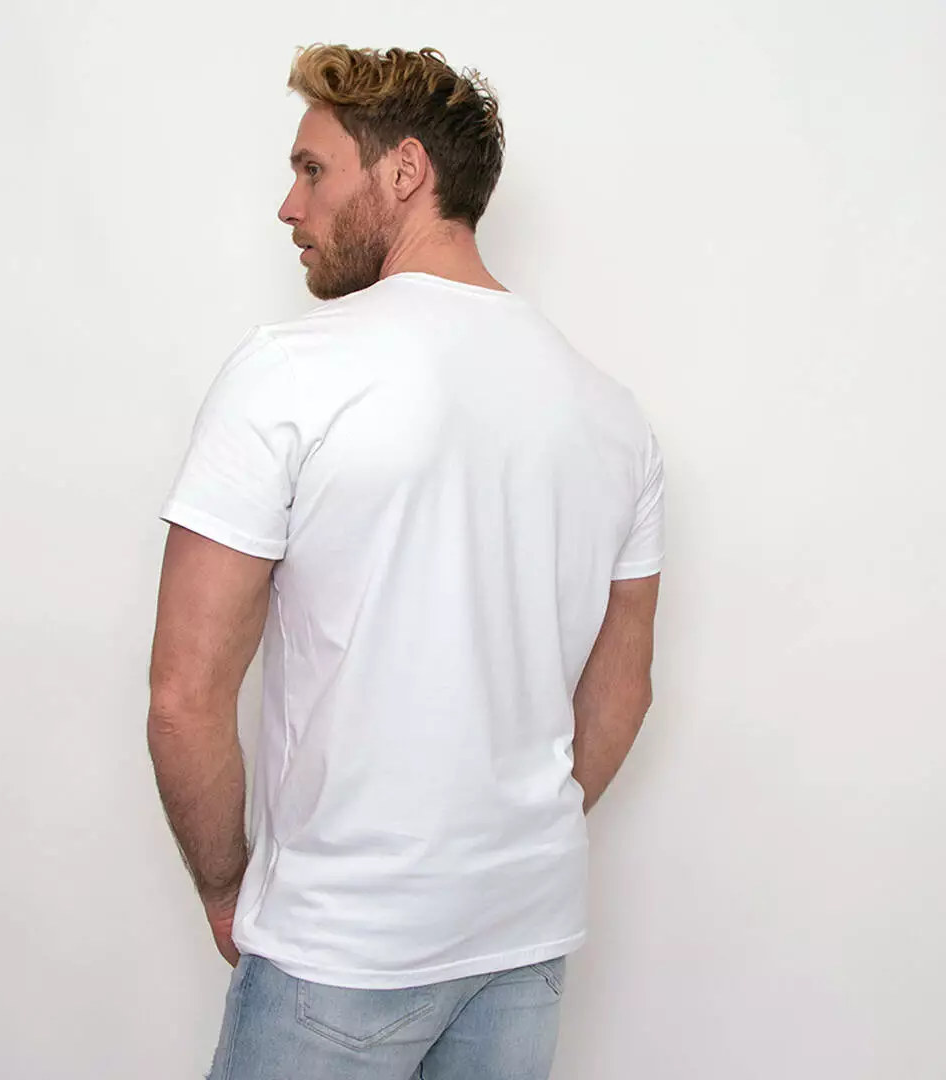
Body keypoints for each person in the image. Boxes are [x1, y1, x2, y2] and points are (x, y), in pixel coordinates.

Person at [147, 43, 664, 1080]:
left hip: (342, 940)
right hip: (524, 935)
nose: (289, 208)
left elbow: (184, 694)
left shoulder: (290, 372)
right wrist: (505, 846)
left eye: (313, 170)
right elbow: (625, 686)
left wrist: (227, 887)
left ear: (405, 171)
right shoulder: (613, 417)